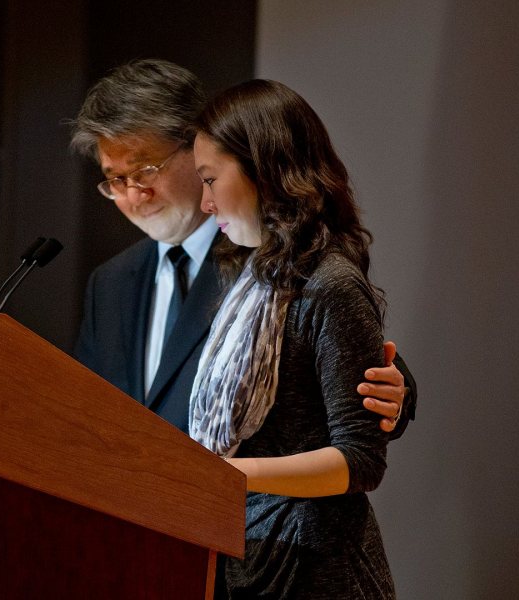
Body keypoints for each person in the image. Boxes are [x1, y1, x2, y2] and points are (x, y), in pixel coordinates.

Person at [70, 59, 416, 436]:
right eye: (116, 180)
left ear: (197, 148)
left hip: (247, 492)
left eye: (146, 170)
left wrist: (396, 395)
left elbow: (371, 378)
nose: (135, 194)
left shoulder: (273, 255)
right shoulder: (110, 282)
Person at [190, 79, 395, 598]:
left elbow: (360, 460)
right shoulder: (254, 281)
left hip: (315, 566)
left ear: (262, 168)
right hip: (248, 555)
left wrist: (225, 473)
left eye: (211, 179)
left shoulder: (330, 285)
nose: (206, 203)